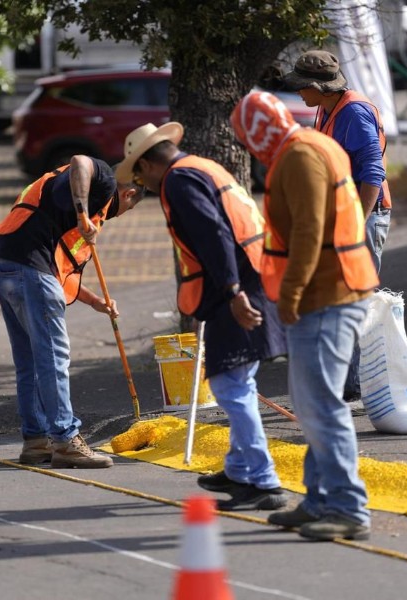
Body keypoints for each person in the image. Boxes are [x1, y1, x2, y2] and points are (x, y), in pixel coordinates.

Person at [115, 123, 287, 511]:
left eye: (139, 174)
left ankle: (263, 480)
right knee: (238, 380)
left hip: (238, 288)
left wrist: (231, 293)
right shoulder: (201, 166)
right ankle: (241, 469)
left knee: (230, 386)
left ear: (146, 162)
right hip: (254, 278)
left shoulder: (179, 181)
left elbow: (214, 236)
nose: (143, 183)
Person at [231, 90, 379, 540]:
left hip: (325, 295)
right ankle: (319, 500)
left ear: (259, 132)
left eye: (247, 138)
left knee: (322, 406)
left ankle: (348, 509)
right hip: (333, 290)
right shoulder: (309, 146)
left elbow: (311, 231)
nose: (249, 149)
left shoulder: (298, 156)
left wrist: (290, 297)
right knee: (316, 406)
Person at [0, 155, 144, 469]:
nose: (120, 215)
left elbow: (56, 276)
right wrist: (83, 213)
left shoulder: (63, 205)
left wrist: (95, 301)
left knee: (30, 359)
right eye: (129, 209)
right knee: (52, 357)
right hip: (29, 266)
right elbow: (80, 162)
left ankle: (36, 441)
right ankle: (65, 440)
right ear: (128, 195)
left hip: (8, 263)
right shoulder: (104, 181)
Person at [284, 50, 390, 403]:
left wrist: (357, 224)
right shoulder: (327, 108)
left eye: (302, 87)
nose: (299, 94)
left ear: (319, 86)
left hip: (363, 217)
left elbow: (373, 171)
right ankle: (347, 385)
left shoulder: (354, 112)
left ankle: (359, 388)